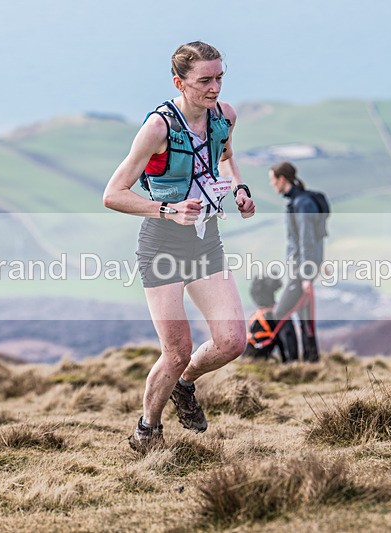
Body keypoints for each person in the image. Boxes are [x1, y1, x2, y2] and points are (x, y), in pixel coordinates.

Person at [103, 41, 256, 452]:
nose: (215, 88)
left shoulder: (225, 116)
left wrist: (239, 188)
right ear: (179, 82)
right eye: (205, 80)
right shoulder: (158, 128)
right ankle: (146, 431)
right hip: (163, 244)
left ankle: (184, 387)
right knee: (176, 351)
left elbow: (224, 157)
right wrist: (167, 210)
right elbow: (113, 194)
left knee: (232, 342)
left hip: (207, 240)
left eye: (220, 77)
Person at [268, 161, 324, 362]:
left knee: (281, 312)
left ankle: (291, 361)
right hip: (301, 268)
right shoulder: (298, 202)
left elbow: (306, 240)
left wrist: (307, 276)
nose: (272, 185)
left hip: (302, 270)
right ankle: (311, 360)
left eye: (273, 180)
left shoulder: (302, 204)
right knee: (303, 314)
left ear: (282, 179)